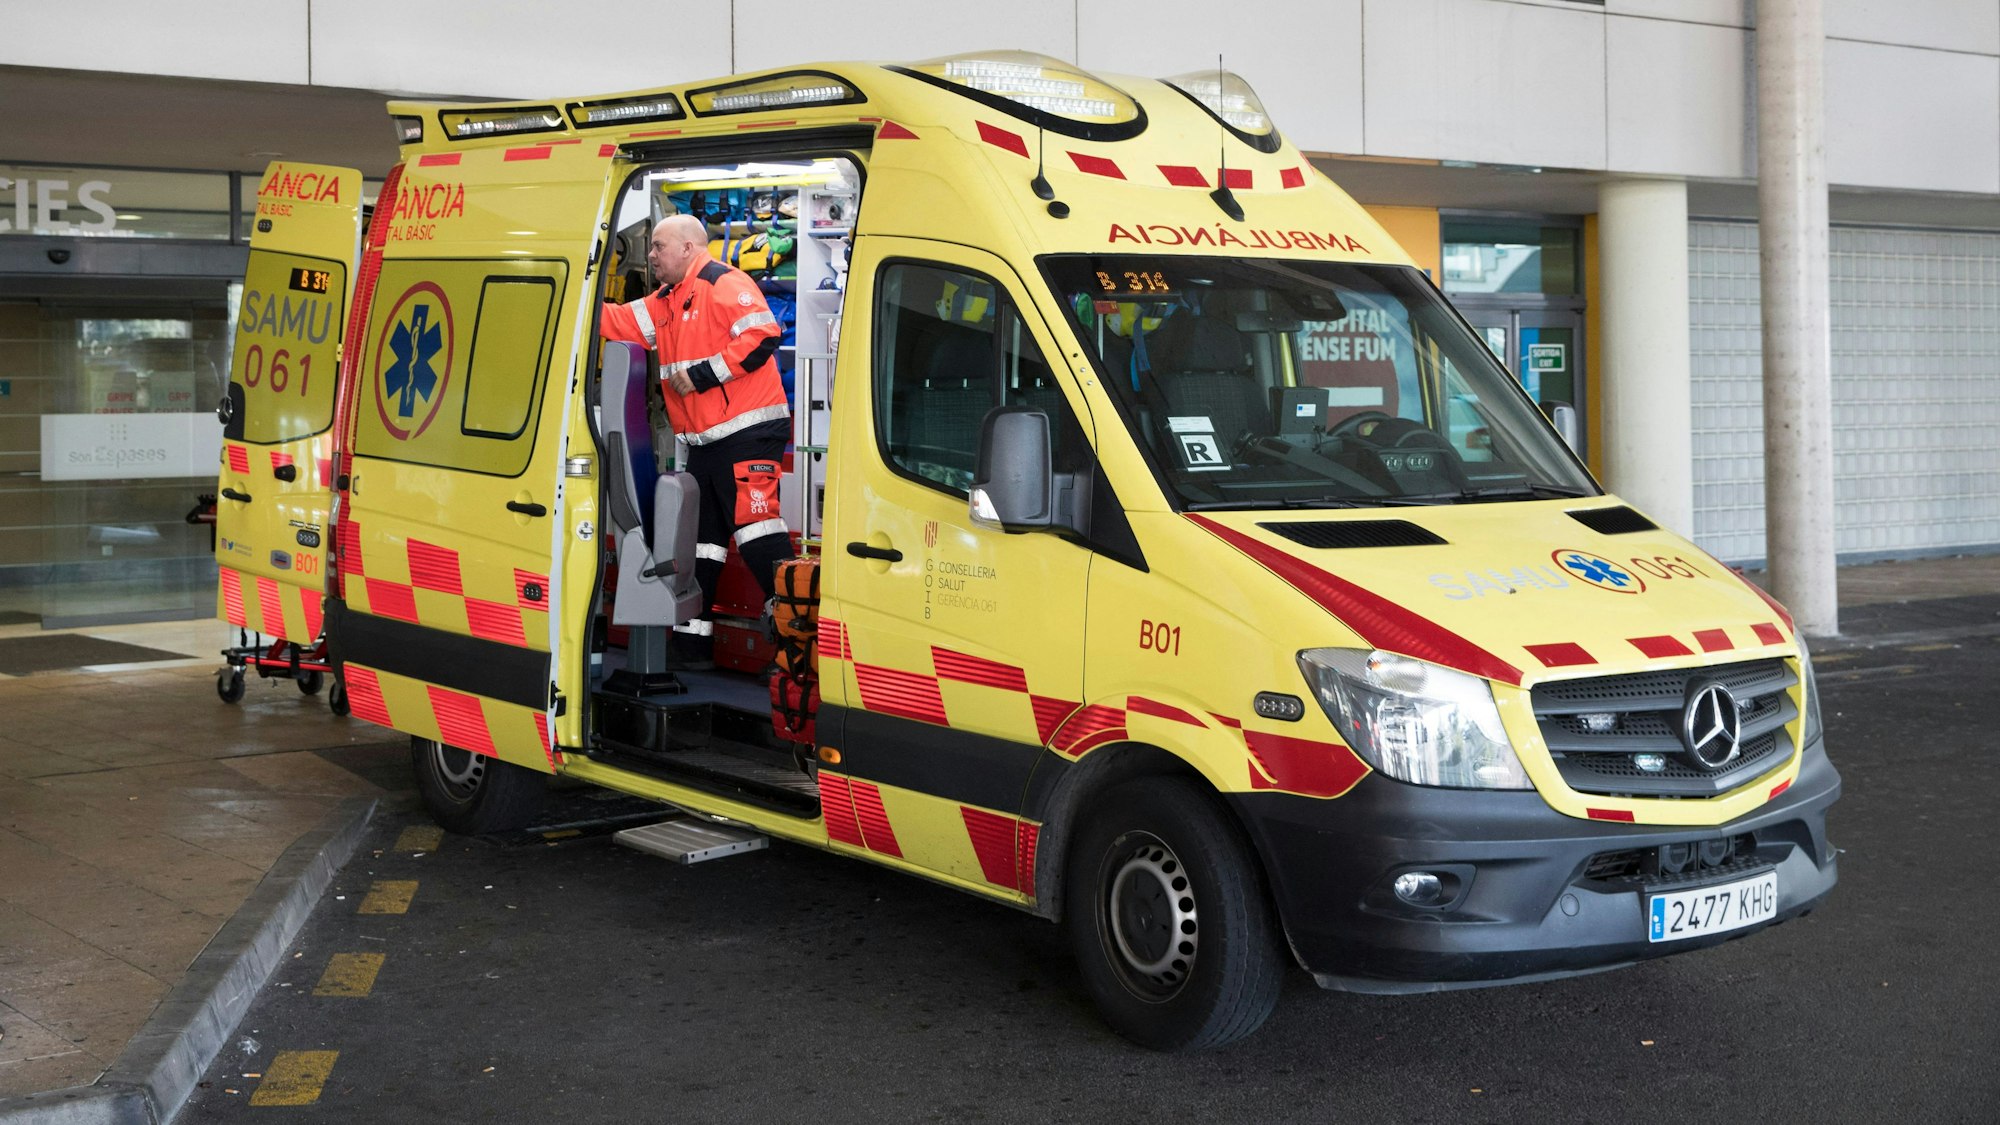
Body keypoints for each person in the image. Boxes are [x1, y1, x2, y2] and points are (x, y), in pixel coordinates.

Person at [601, 213, 790, 667]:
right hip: (706, 443)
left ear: (688, 247)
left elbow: (763, 334)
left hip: (747, 433)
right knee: (700, 543)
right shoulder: (666, 300)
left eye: (658, 246)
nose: (651, 255)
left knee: (757, 535)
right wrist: (575, 294)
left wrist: (701, 376)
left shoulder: (722, 282)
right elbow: (618, 322)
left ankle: (797, 651)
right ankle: (692, 646)